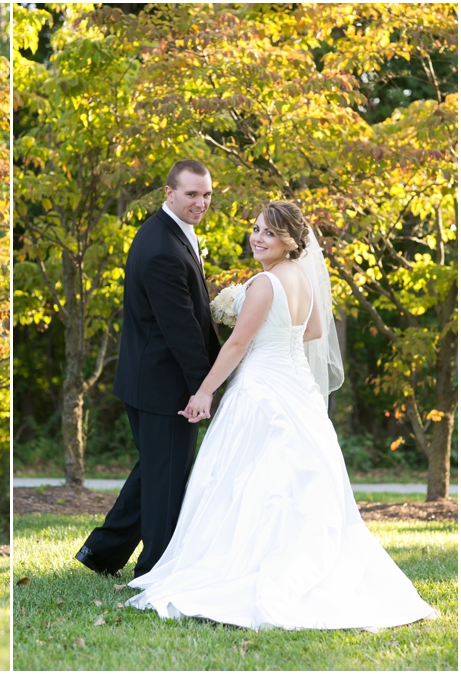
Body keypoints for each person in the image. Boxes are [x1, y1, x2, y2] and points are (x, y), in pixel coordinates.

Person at [126, 201, 436, 630]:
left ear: (289, 241)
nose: (257, 237)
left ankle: (245, 563)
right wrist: (267, 329)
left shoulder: (264, 283)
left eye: (268, 233)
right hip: (297, 386)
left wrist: (203, 391)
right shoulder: (303, 279)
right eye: (255, 229)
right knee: (298, 481)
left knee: (246, 478)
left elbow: (235, 347)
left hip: (260, 390)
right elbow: (312, 331)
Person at [75, 159, 222, 579]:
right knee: (167, 480)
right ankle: (155, 569)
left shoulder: (170, 234)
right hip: (165, 385)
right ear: (169, 193)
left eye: (207, 194)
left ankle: (103, 553)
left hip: (150, 379)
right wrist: (204, 388)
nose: (201, 202)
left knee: (157, 469)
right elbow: (181, 330)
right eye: (192, 194)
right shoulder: (161, 248)